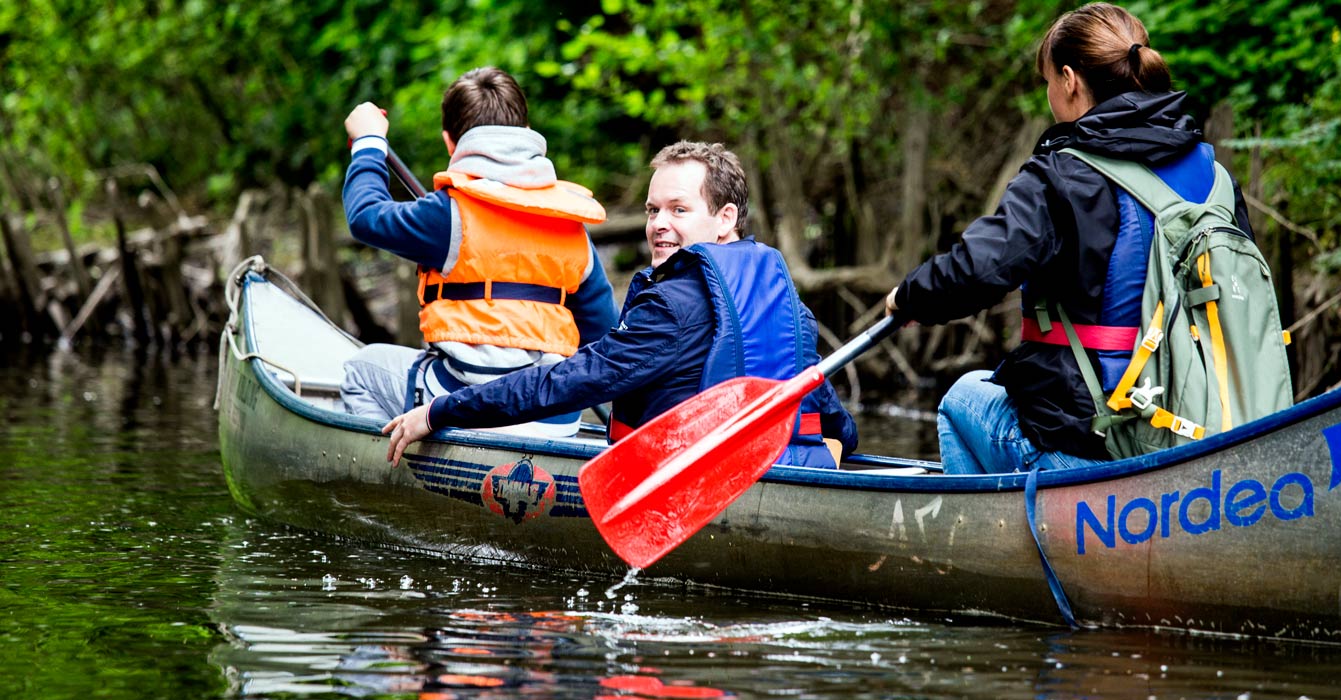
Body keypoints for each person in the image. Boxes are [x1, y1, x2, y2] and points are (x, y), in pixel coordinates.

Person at [886, 3, 1259, 474]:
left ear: (1069, 79)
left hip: (1093, 440)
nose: (1049, 93)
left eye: (1047, 82)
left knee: (963, 398)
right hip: (1200, 434)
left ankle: (992, 544)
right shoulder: (1214, 177)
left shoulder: (1063, 175)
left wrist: (909, 296)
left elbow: (981, 267)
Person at [382, 141, 857, 469]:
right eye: (653, 210)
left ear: (724, 217)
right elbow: (829, 414)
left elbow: (565, 383)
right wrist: (845, 443)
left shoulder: (673, 305)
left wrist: (440, 411)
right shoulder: (788, 305)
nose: (659, 225)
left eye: (679, 209)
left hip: (694, 484)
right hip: (774, 465)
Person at [340, 66, 619, 437]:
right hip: (556, 417)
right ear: (526, 132)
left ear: (449, 142)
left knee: (360, 369)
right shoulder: (571, 224)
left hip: (467, 404)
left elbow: (364, 216)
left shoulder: (447, 216)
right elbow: (603, 335)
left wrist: (369, 142)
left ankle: (394, 477)